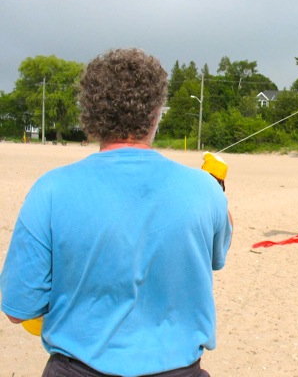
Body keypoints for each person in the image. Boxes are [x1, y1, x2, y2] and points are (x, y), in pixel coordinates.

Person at [0, 48, 233, 377]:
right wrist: (214, 192)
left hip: (76, 368)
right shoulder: (205, 190)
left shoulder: (50, 190)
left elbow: (18, 307)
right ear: (155, 113)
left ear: (90, 114)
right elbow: (217, 250)